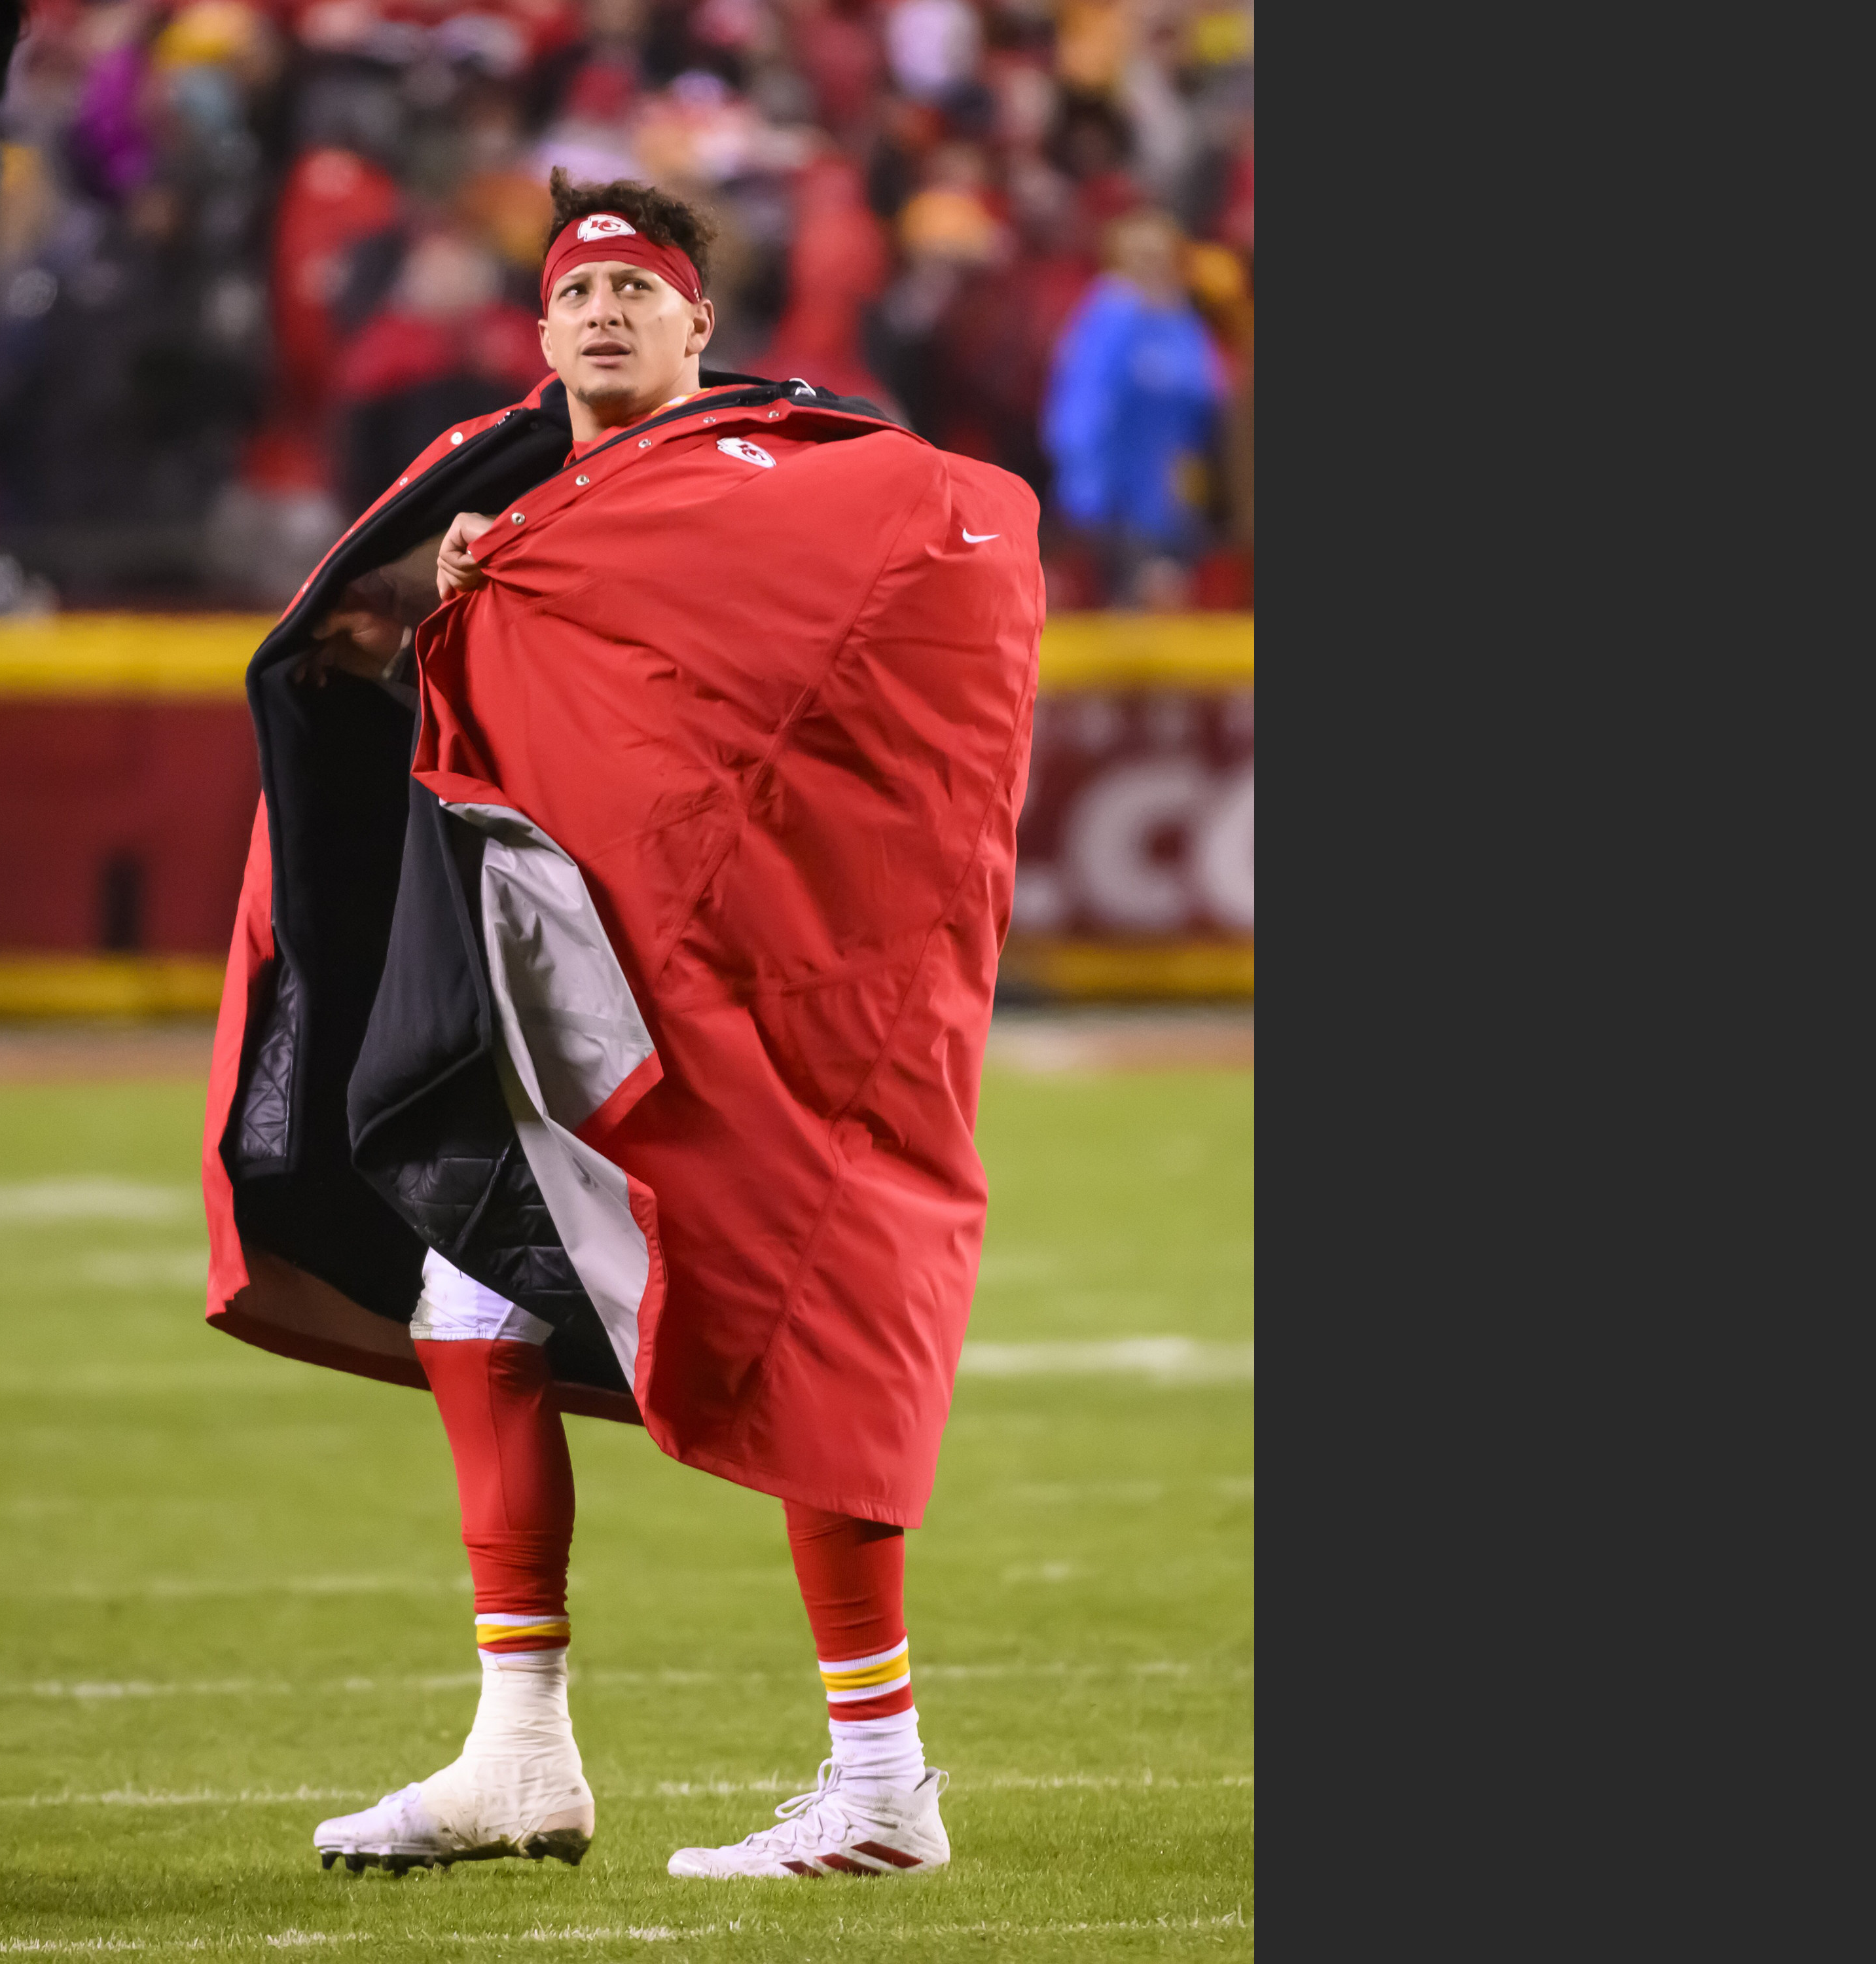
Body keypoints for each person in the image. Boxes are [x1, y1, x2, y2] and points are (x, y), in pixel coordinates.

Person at [200, 170, 1043, 1882]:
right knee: (465, 1269)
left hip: (729, 973)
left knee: (803, 1289)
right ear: (538, 328)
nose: (602, 313)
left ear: (697, 327)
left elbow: (958, 550)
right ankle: (521, 1749)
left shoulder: (773, 474)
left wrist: (506, 596)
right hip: (535, 949)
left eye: (636, 292)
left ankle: (879, 1776)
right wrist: (430, 618)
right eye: (575, 292)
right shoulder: (490, 485)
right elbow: (346, 653)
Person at [1039, 206, 1226, 604]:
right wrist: (1085, 484)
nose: (1153, 269)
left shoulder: (1183, 322)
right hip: (1112, 498)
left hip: (1170, 490)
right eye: (1142, 257)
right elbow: (1078, 406)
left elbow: (1205, 399)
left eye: (1161, 257)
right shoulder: (1109, 315)